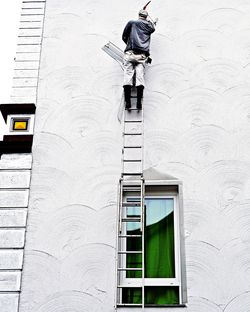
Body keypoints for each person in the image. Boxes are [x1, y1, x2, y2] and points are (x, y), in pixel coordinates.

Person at [122, 9, 156, 110]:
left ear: (139, 15)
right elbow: (153, 28)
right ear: (146, 17)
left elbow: (124, 36)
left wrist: (129, 43)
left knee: (128, 76)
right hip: (142, 55)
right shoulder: (149, 26)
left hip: (130, 53)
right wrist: (149, 21)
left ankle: (127, 103)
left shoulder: (132, 23)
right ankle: (138, 103)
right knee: (140, 77)